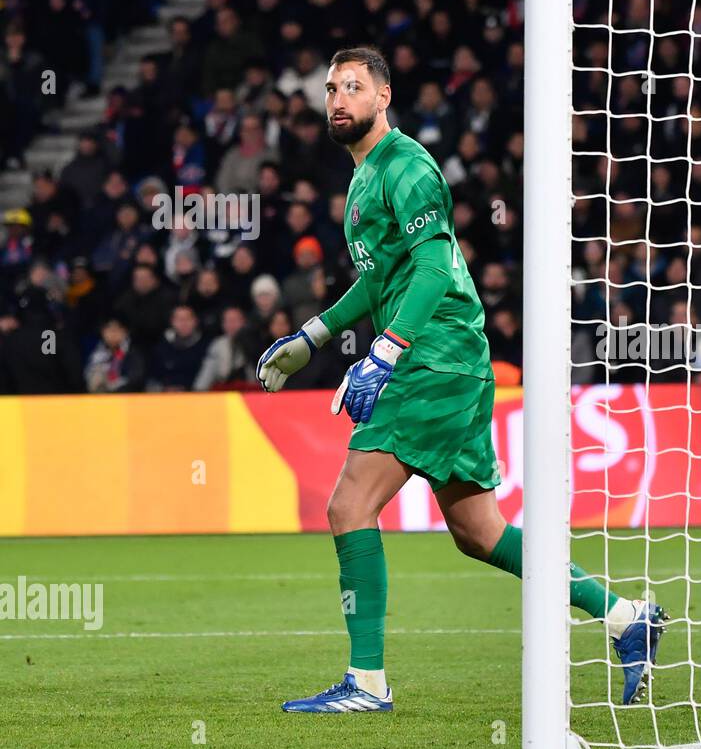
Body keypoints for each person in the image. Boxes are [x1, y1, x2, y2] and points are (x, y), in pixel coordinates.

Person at [257, 47, 666, 713]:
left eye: (354, 87)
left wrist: (386, 352)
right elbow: (380, 280)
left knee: (348, 506)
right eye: (331, 87)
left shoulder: (409, 167)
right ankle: (625, 616)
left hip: (435, 358)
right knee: (479, 532)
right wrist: (314, 337)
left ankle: (366, 683)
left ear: (383, 97)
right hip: (446, 360)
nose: (339, 98)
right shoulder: (363, 181)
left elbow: (432, 266)